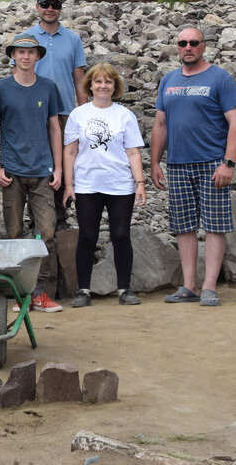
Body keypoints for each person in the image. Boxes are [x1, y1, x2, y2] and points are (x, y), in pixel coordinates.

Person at [150, 27, 236, 307]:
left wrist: (228, 163)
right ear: (177, 48)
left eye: (193, 42)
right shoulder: (168, 80)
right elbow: (160, 123)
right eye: (182, 43)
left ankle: (209, 287)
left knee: (215, 225)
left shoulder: (220, 78)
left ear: (204, 46)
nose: (188, 47)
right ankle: (189, 286)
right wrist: (155, 162)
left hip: (212, 163)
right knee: (183, 226)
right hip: (178, 163)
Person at [0, 33, 64, 312]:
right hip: (12, 172)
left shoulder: (48, 87)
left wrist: (58, 167)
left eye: (30, 52)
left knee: (46, 231)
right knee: (15, 232)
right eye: (20, 52)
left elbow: (54, 127)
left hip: (43, 170)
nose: (25, 57)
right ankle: (19, 293)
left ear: (38, 57)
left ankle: (41, 293)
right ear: (12, 56)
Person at [63, 62, 148, 307]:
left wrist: (140, 182)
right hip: (87, 184)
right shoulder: (79, 114)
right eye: (98, 81)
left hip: (120, 184)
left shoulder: (124, 115)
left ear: (115, 86)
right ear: (90, 85)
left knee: (121, 235)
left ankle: (124, 289)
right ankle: (83, 290)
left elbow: (133, 152)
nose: (103, 86)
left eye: (108, 81)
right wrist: (69, 185)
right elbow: (70, 152)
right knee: (87, 236)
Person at [27, 0, 88, 229]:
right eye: (45, 5)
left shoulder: (73, 39)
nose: (50, 9)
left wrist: (84, 113)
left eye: (55, 5)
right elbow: (18, 75)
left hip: (64, 111)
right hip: (33, 112)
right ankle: (37, 219)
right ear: (37, 7)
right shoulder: (27, 37)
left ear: (61, 8)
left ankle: (60, 217)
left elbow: (79, 79)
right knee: (37, 163)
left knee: (64, 162)